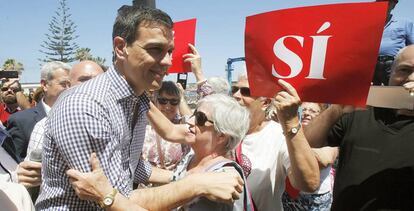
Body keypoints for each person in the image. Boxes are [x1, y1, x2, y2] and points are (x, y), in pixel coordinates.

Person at [37, 6, 243, 210]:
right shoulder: (86, 105)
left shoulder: (139, 100)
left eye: (169, 51)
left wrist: (184, 175)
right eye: (155, 49)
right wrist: (195, 183)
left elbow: (131, 166)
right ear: (120, 47)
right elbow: (113, 200)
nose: (167, 62)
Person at [67, 94, 252, 211]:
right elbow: (169, 131)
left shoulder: (224, 177)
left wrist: (106, 196)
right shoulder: (192, 157)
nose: (191, 121)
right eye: (195, 113)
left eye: (201, 119)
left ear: (221, 136)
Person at [305, 45, 414, 210]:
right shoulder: (360, 110)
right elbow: (308, 141)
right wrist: (337, 109)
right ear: (390, 72)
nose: (411, 78)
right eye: (404, 70)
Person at [232, 74, 320, 211]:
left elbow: (310, 183)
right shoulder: (223, 130)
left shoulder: (279, 136)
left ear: (265, 103)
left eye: (246, 92)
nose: (236, 95)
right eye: (234, 89)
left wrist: (291, 121)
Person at [7, 61, 70, 160]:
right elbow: (13, 162)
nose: (69, 89)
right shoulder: (21, 121)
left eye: (70, 84)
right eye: (63, 84)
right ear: (44, 85)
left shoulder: (77, 118)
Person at [282, 102, 338, 211]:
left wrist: (293, 147)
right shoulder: (287, 134)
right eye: (303, 110)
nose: (306, 113)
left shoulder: (330, 135)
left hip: (315, 199)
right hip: (289, 195)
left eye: (313, 111)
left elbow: (324, 160)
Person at [141, 81, 189, 174]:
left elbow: (193, 121)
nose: (168, 106)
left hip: (175, 184)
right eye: (163, 101)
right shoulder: (144, 124)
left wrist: (182, 98)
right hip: (147, 185)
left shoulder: (182, 126)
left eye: (173, 102)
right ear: (155, 101)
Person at [373, 0, 414, 85]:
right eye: (380, 1)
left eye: (387, 2)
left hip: (392, 63)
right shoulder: (369, 25)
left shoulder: (405, 23)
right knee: (371, 92)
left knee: (395, 90)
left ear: (394, 4)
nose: (383, 4)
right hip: (372, 65)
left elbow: (412, 47)